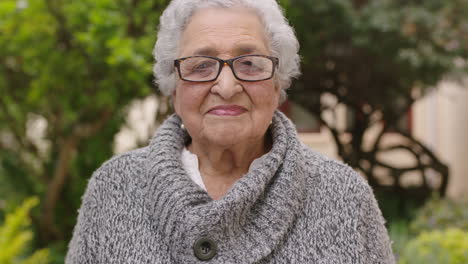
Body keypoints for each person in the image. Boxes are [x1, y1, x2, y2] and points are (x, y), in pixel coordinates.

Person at [66, 0, 395, 263]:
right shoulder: (113, 190)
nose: (226, 86)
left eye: (250, 63)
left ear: (278, 83)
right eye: (201, 66)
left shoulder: (344, 196)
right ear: (173, 90)